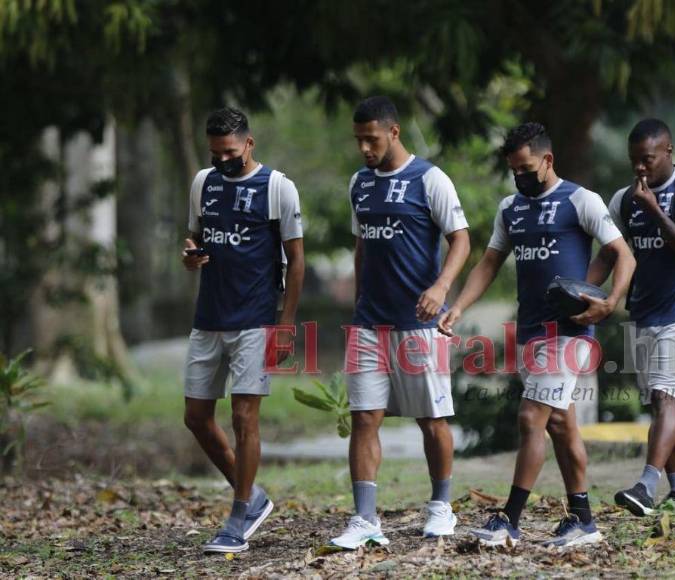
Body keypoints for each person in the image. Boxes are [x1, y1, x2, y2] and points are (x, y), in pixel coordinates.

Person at [438, 122, 636, 547]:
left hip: (568, 331)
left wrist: (609, 301)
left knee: (530, 418)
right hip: (530, 331)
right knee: (561, 424)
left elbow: (623, 254)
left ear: (548, 160)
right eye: (514, 171)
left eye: (527, 169)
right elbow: (489, 263)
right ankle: (583, 520)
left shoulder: (580, 200)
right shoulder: (511, 208)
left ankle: (508, 519)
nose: (520, 177)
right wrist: (458, 306)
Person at [329, 96, 470, 549]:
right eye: (358, 141)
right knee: (364, 418)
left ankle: (441, 507)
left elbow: (462, 241)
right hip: (370, 321)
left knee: (431, 419)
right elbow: (362, 247)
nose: (364, 148)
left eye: (371, 139)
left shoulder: (429, 178)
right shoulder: (359, 183)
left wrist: (442, 288)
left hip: (419, 324)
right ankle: (365, 519)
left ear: (394, 132)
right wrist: (356, 299)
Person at [181, 107, 305, 553]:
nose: (221, 161)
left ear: (248, 145)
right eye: (215, 153)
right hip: (208, 316)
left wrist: (286, 324)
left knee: (244, 416)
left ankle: (237, 519)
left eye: (229, 152)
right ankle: (252, 495)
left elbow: (296, 259)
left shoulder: (277, 187)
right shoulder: (203, 183)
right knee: (196, 417)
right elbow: (194, 236)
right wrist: (190, 254)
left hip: (255, 319)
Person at [608, 119, 675, 515]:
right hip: (644, 312)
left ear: (668, 152)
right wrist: (586, 295)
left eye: (648, 160)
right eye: (634, 161)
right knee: (662, 406)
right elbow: (610, 254)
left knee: (665, 397)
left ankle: (645, 485)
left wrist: (654, 211)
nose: (640, 168)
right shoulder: (622, 200)